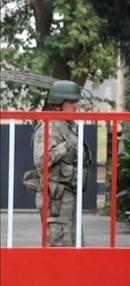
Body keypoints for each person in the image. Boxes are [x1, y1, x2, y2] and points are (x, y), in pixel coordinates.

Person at [30, 80, 90, 247]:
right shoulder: (47, 127)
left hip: (69, 195)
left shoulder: (70, 126)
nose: (76, 106)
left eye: (76, 102)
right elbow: (41, 161)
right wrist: (64, 146)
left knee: (75, 243)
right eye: (71, 102)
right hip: (55, 198)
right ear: (57, 105)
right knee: (58, 245)